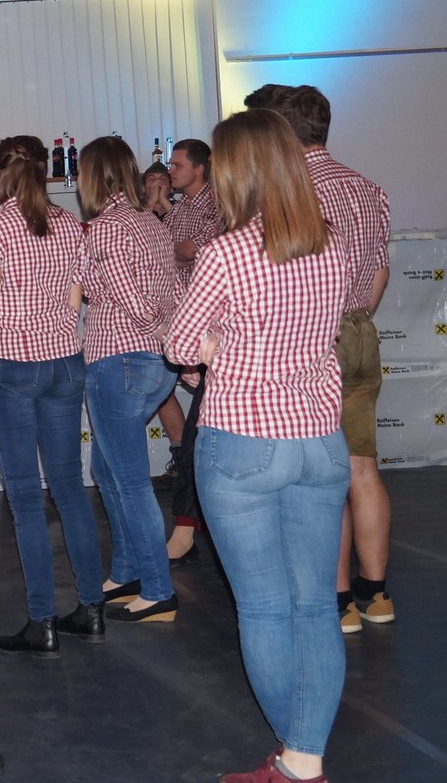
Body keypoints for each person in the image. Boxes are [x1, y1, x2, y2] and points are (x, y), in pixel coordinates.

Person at [166, 108, 349, 783]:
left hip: (244, 441)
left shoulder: (226, 252)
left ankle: (298, 760)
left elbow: (180, 345)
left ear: (236, 172)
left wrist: (216, 346)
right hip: (319, 440)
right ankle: (304, 756)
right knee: (314, 607)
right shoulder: (330, 245)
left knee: (266, 609)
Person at [245, 85, 393, 638]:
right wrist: (358, 318)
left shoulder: (290, 191)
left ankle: (337, 601)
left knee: (323, 475)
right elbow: (379, 269)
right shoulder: (368, 187)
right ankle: (376, 594)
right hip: (361, 331)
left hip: (315, 340)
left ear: (281, 131)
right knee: (362, 467)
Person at [0, 136, 103, 656]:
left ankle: (42, 620)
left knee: (26, 499)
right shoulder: (69, 223)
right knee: (70, 489)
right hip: (64, 362)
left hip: (14, 366)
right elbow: (76, 296)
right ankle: (91, 608)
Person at [76, 137, 180, 623]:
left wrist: (159, 329)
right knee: (106, 469)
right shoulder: (150, 222)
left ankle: (158, 590)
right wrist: (171, 338)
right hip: (154, 364)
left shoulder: (106, 227)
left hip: (119, 360)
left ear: (95, 176)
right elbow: (171, 288)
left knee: (131, 482)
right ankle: (127, 571)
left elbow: (132, 298)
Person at [161, 138, 223, 562]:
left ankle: (187, 531)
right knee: (198, 438)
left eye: (178, 164)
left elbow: (192, 253)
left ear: (200, 168)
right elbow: (175, 254)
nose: (171, 169)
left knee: (202, 439)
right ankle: (192, 526)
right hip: (183, 327)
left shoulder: (215, 205)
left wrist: (180, 253)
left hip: (209, 335)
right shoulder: (178, 208)